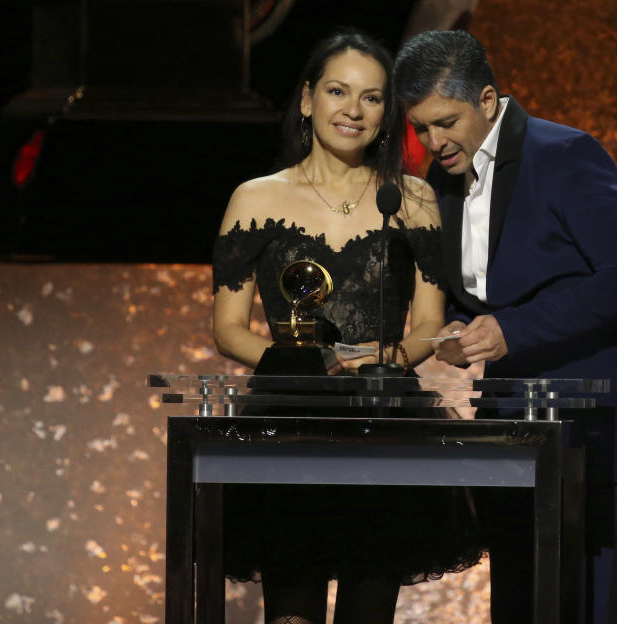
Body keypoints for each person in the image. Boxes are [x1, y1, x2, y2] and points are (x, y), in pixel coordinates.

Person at [394, 30, 617, 624]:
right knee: (518, 606)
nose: (433, 141)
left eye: (445, 122)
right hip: (512, 425)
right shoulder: (442, 181)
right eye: (421, 128)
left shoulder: (564, 155)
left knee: (588, 609)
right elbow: (493, 287)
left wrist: (514, 330)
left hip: (593, 425)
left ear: (487, 100)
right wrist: (464, 330)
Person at [212, 31, 481, 624]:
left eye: (373, 98)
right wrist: (308, 364)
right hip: (288, 421)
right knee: (292, 603)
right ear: (307, 100)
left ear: (388, 114)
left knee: (369, 600)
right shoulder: (255, 198)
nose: (353, 111)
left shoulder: (413, 199)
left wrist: (385, 358)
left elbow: (431, 322)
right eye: (338, 91)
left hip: (381, 418)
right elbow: (229, 329)